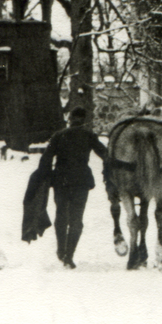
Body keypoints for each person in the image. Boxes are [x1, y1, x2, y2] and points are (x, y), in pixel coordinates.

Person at [39, 107, 107, 268]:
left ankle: (61, 250)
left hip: (61, 181)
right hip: (80, 182)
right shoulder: (89, 136)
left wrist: (43, 178)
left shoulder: (59, 136)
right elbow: (105, 154)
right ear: (84, 120)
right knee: (77, 220)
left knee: (61, 215)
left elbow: (46, 159)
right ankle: (69, 255)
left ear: (70, 119)